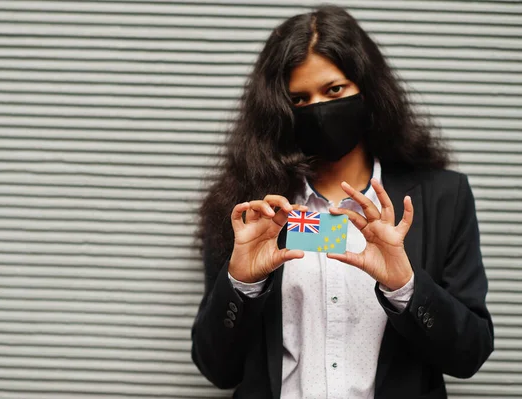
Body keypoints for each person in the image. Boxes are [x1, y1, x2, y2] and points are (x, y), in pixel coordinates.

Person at [191, 5, 493, 399]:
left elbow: (469, 355)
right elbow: (217, 368)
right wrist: (241, 284)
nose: (318, 110)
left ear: (367, 89)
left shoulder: (442, 198)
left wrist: (405, 287)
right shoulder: (250, 208)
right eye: (299, 99)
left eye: (334, 90)